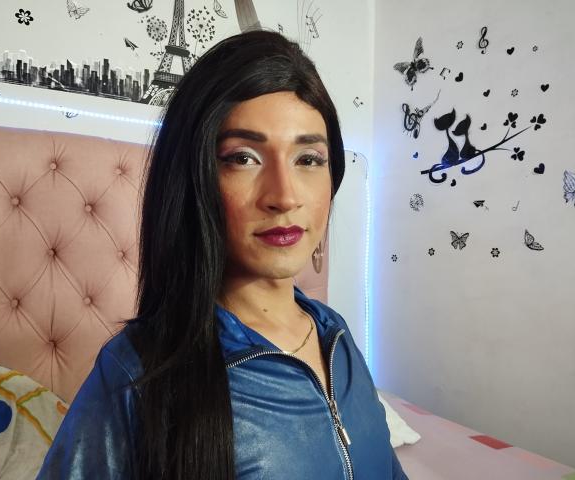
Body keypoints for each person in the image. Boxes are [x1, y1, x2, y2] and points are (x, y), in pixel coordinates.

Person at [37, 30, 408, 479]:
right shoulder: (136, 373)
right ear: (194, 178)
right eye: (243, 158)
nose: (284, 196)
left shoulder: (336, 336)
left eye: (308, 159)